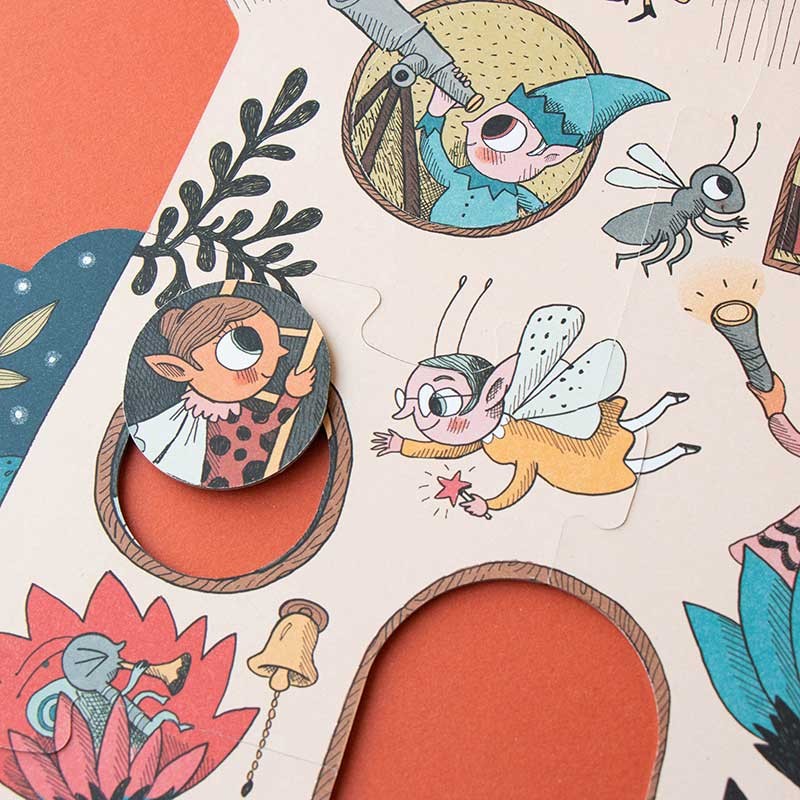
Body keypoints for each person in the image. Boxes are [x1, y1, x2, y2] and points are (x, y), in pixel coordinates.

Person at [416, 73, 669, 229]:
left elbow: (543, 215)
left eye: (505, 133)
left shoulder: (518, 196)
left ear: (552, 156)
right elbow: (435, 159)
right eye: (493, 125)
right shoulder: (461, 177)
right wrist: (436, 112)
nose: (479, 138)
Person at [129, 296, 315, 488]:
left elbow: (267, 424)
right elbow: (268, 423)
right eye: (244, 348)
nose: (277, 356)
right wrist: (291, 395)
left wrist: (291, 394)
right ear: (179, 369)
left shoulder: (235, 413)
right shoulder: (191, 418)